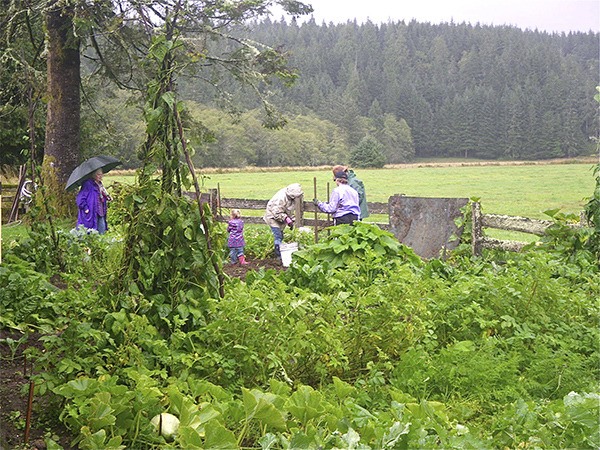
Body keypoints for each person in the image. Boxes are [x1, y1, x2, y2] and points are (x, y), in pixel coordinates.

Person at [263, 183, 304, 257]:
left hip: (282, 214)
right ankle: (279, 255)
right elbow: (276, 213)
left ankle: (281, 253)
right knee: (278, 236)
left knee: (281, 236)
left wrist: (294, 219)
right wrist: (287, 219)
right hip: (272, 216)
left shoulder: (295, 196)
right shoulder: (280, 198)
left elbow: (293, 209)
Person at [76, 168, 112, 234]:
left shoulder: (100, 184)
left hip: (100, 211)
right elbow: (80, 198)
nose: (100, 176)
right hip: (90, 212)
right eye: (98, 174)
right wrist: (85, 208)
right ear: (94, 175)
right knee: (88, 232)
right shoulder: (87, 184)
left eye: (101, 174)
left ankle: (100, 243)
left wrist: (107, 197)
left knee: (102, 230)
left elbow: (101, 194)